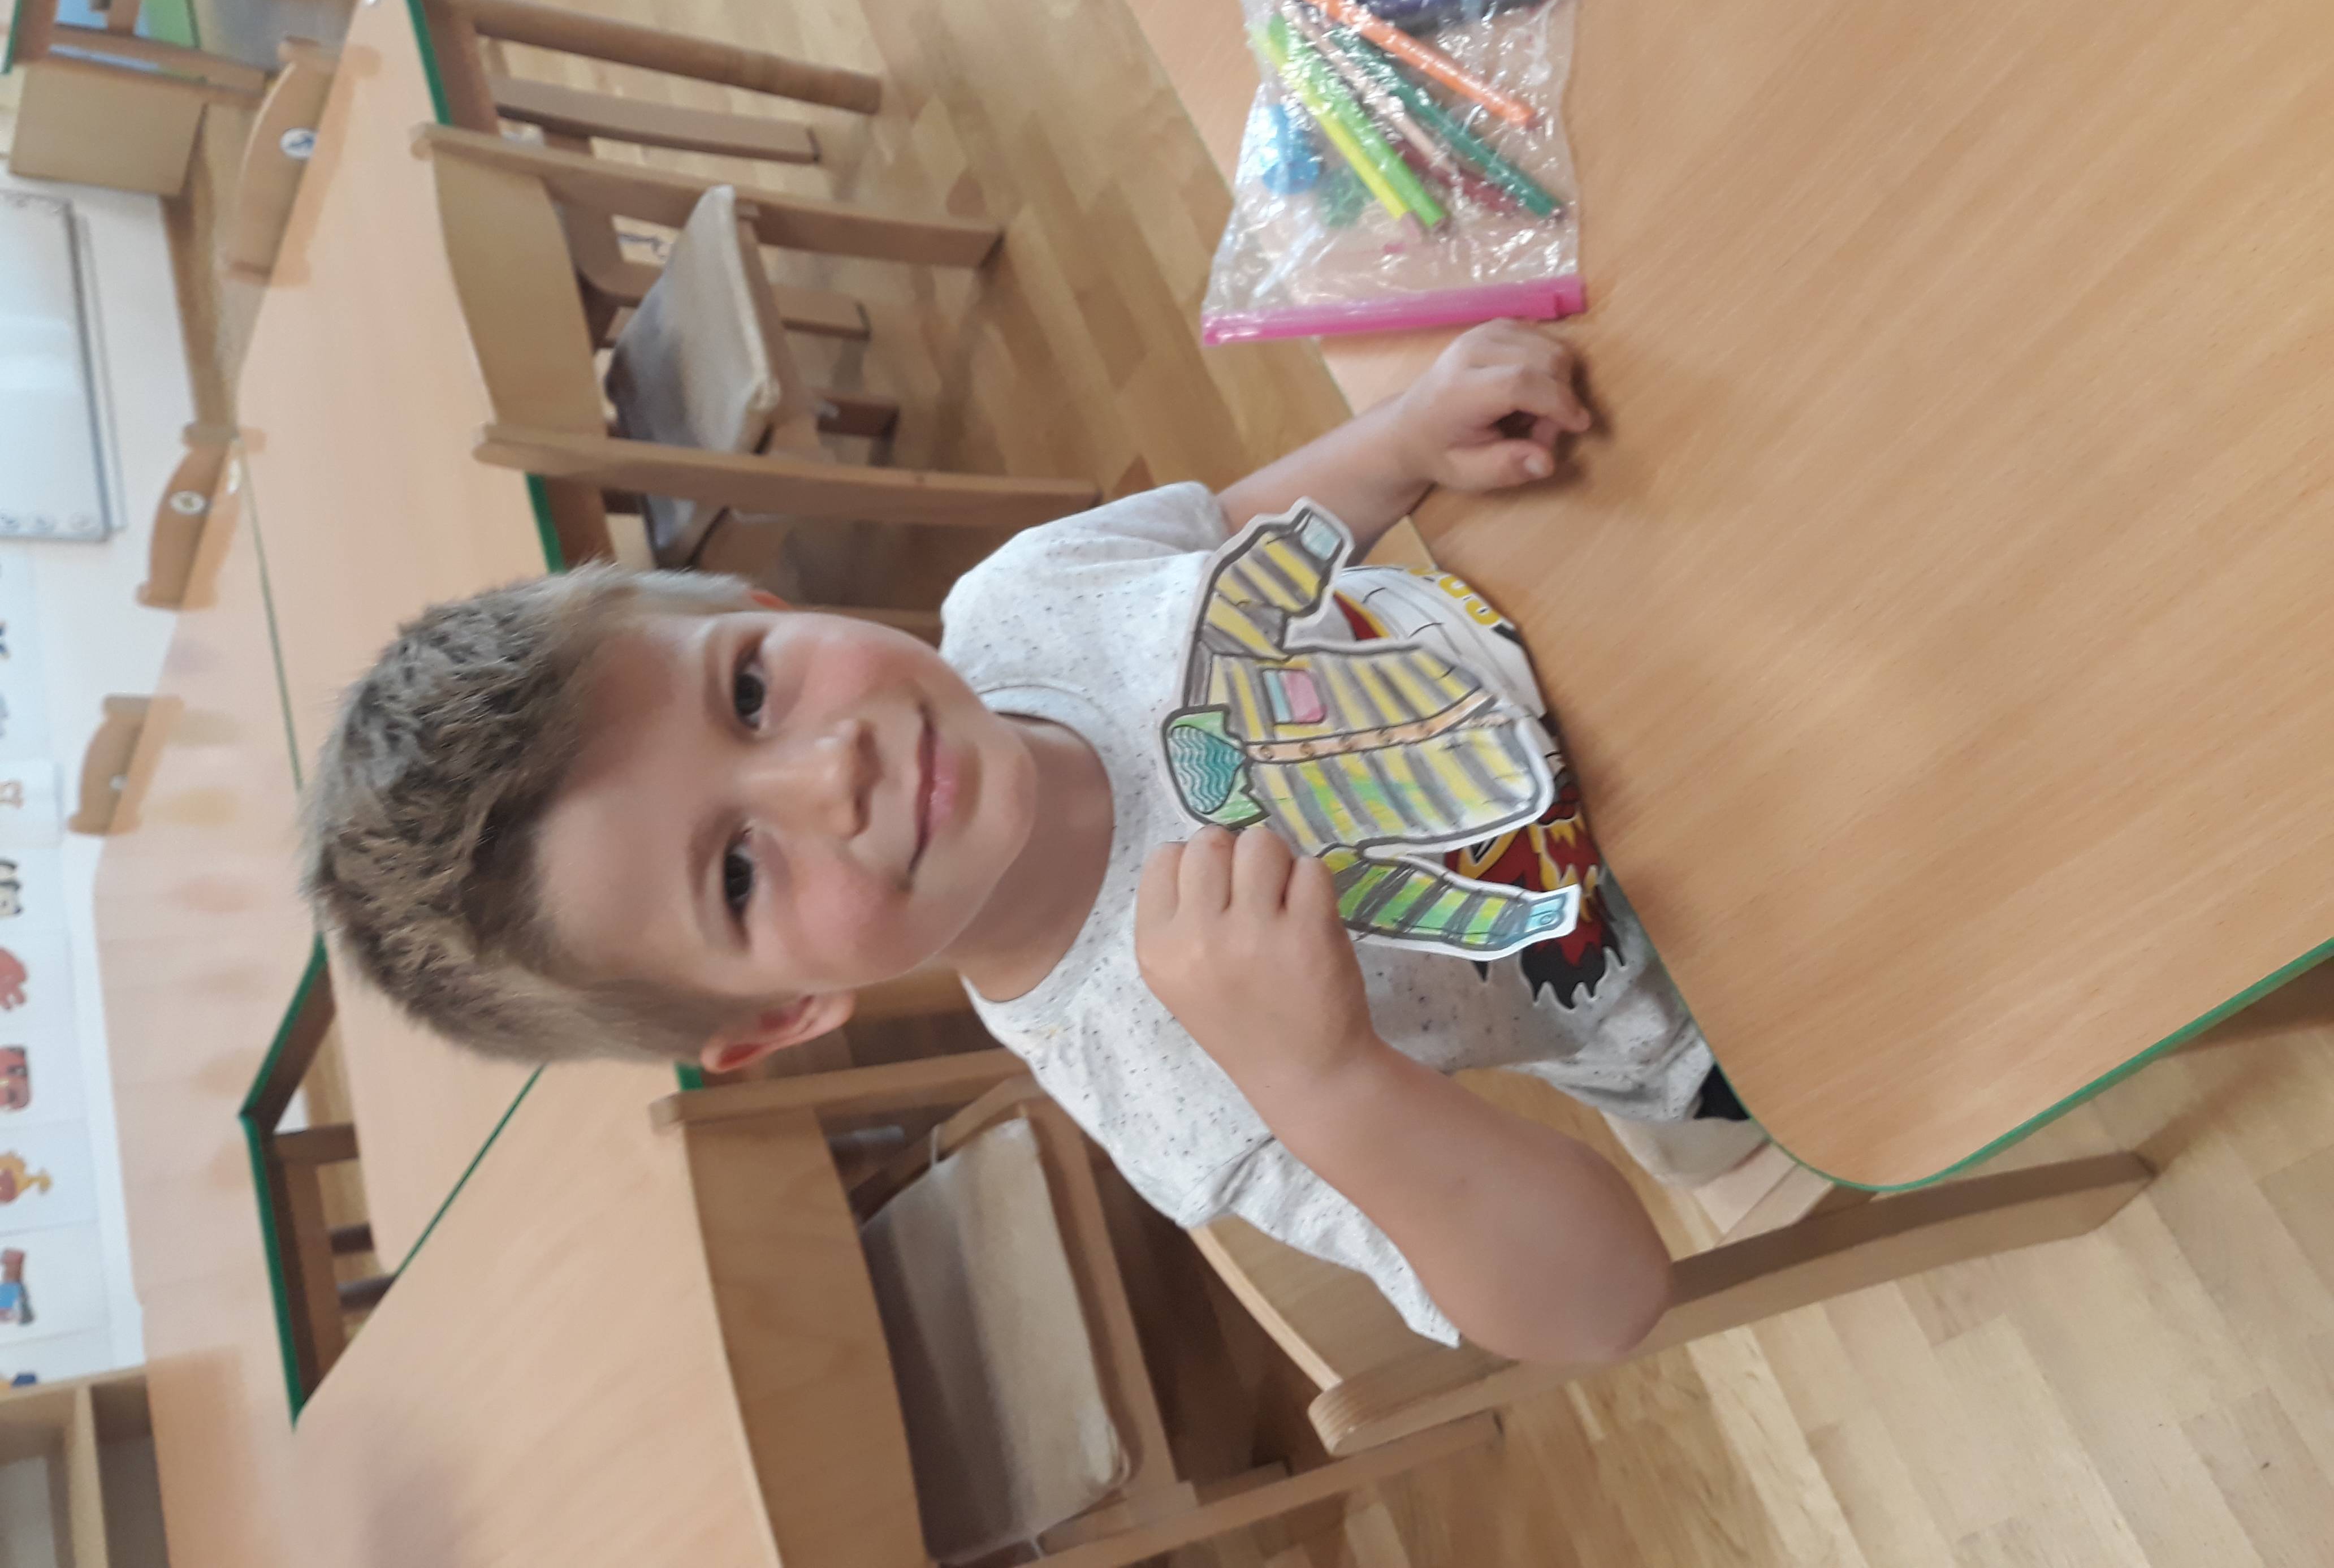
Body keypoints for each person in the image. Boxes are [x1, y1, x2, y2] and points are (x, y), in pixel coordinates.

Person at [303, 321, 1763, 1366]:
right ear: (780, 1016)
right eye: (737, 872)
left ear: (755, 604)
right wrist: (1326, 1079)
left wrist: (1399, 440)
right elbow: (1600, 1305)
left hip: (1648, 628)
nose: (830, 769)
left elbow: (1236, 542)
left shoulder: (1025, 602)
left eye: (749, 691)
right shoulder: (1181, 1090)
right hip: (1730, 973)